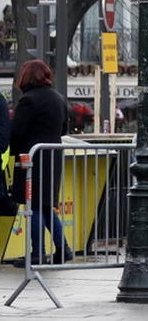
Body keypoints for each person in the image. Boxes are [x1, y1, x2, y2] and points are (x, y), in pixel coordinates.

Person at [10, 59, 70, 265]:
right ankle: (63, 249)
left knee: (33, 206)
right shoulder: (59, 98)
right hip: (53, 157)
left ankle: (37, 253)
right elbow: (64, 130)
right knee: (45, 207)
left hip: (32, 159)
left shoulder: (28, 100)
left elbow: (16, 131)